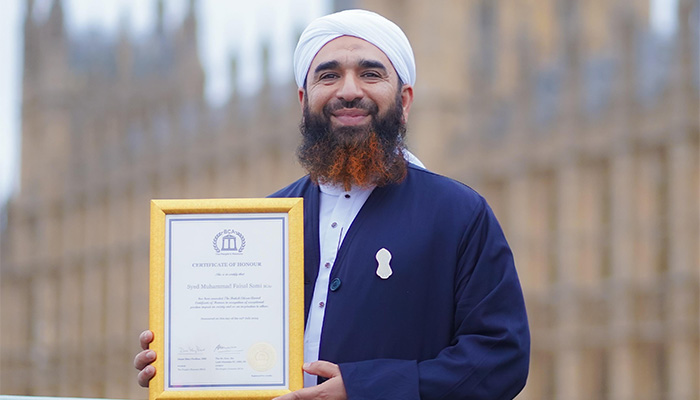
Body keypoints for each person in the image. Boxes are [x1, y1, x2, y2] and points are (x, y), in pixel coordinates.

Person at [134, 9, 530, 399]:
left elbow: (501, 359)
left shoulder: (457, 213)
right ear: (304, 99)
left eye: (370, 74)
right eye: (329, 75)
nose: (349, 90)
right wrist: (181, 367)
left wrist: (367, 389)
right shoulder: (263, 221)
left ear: (405, 100)